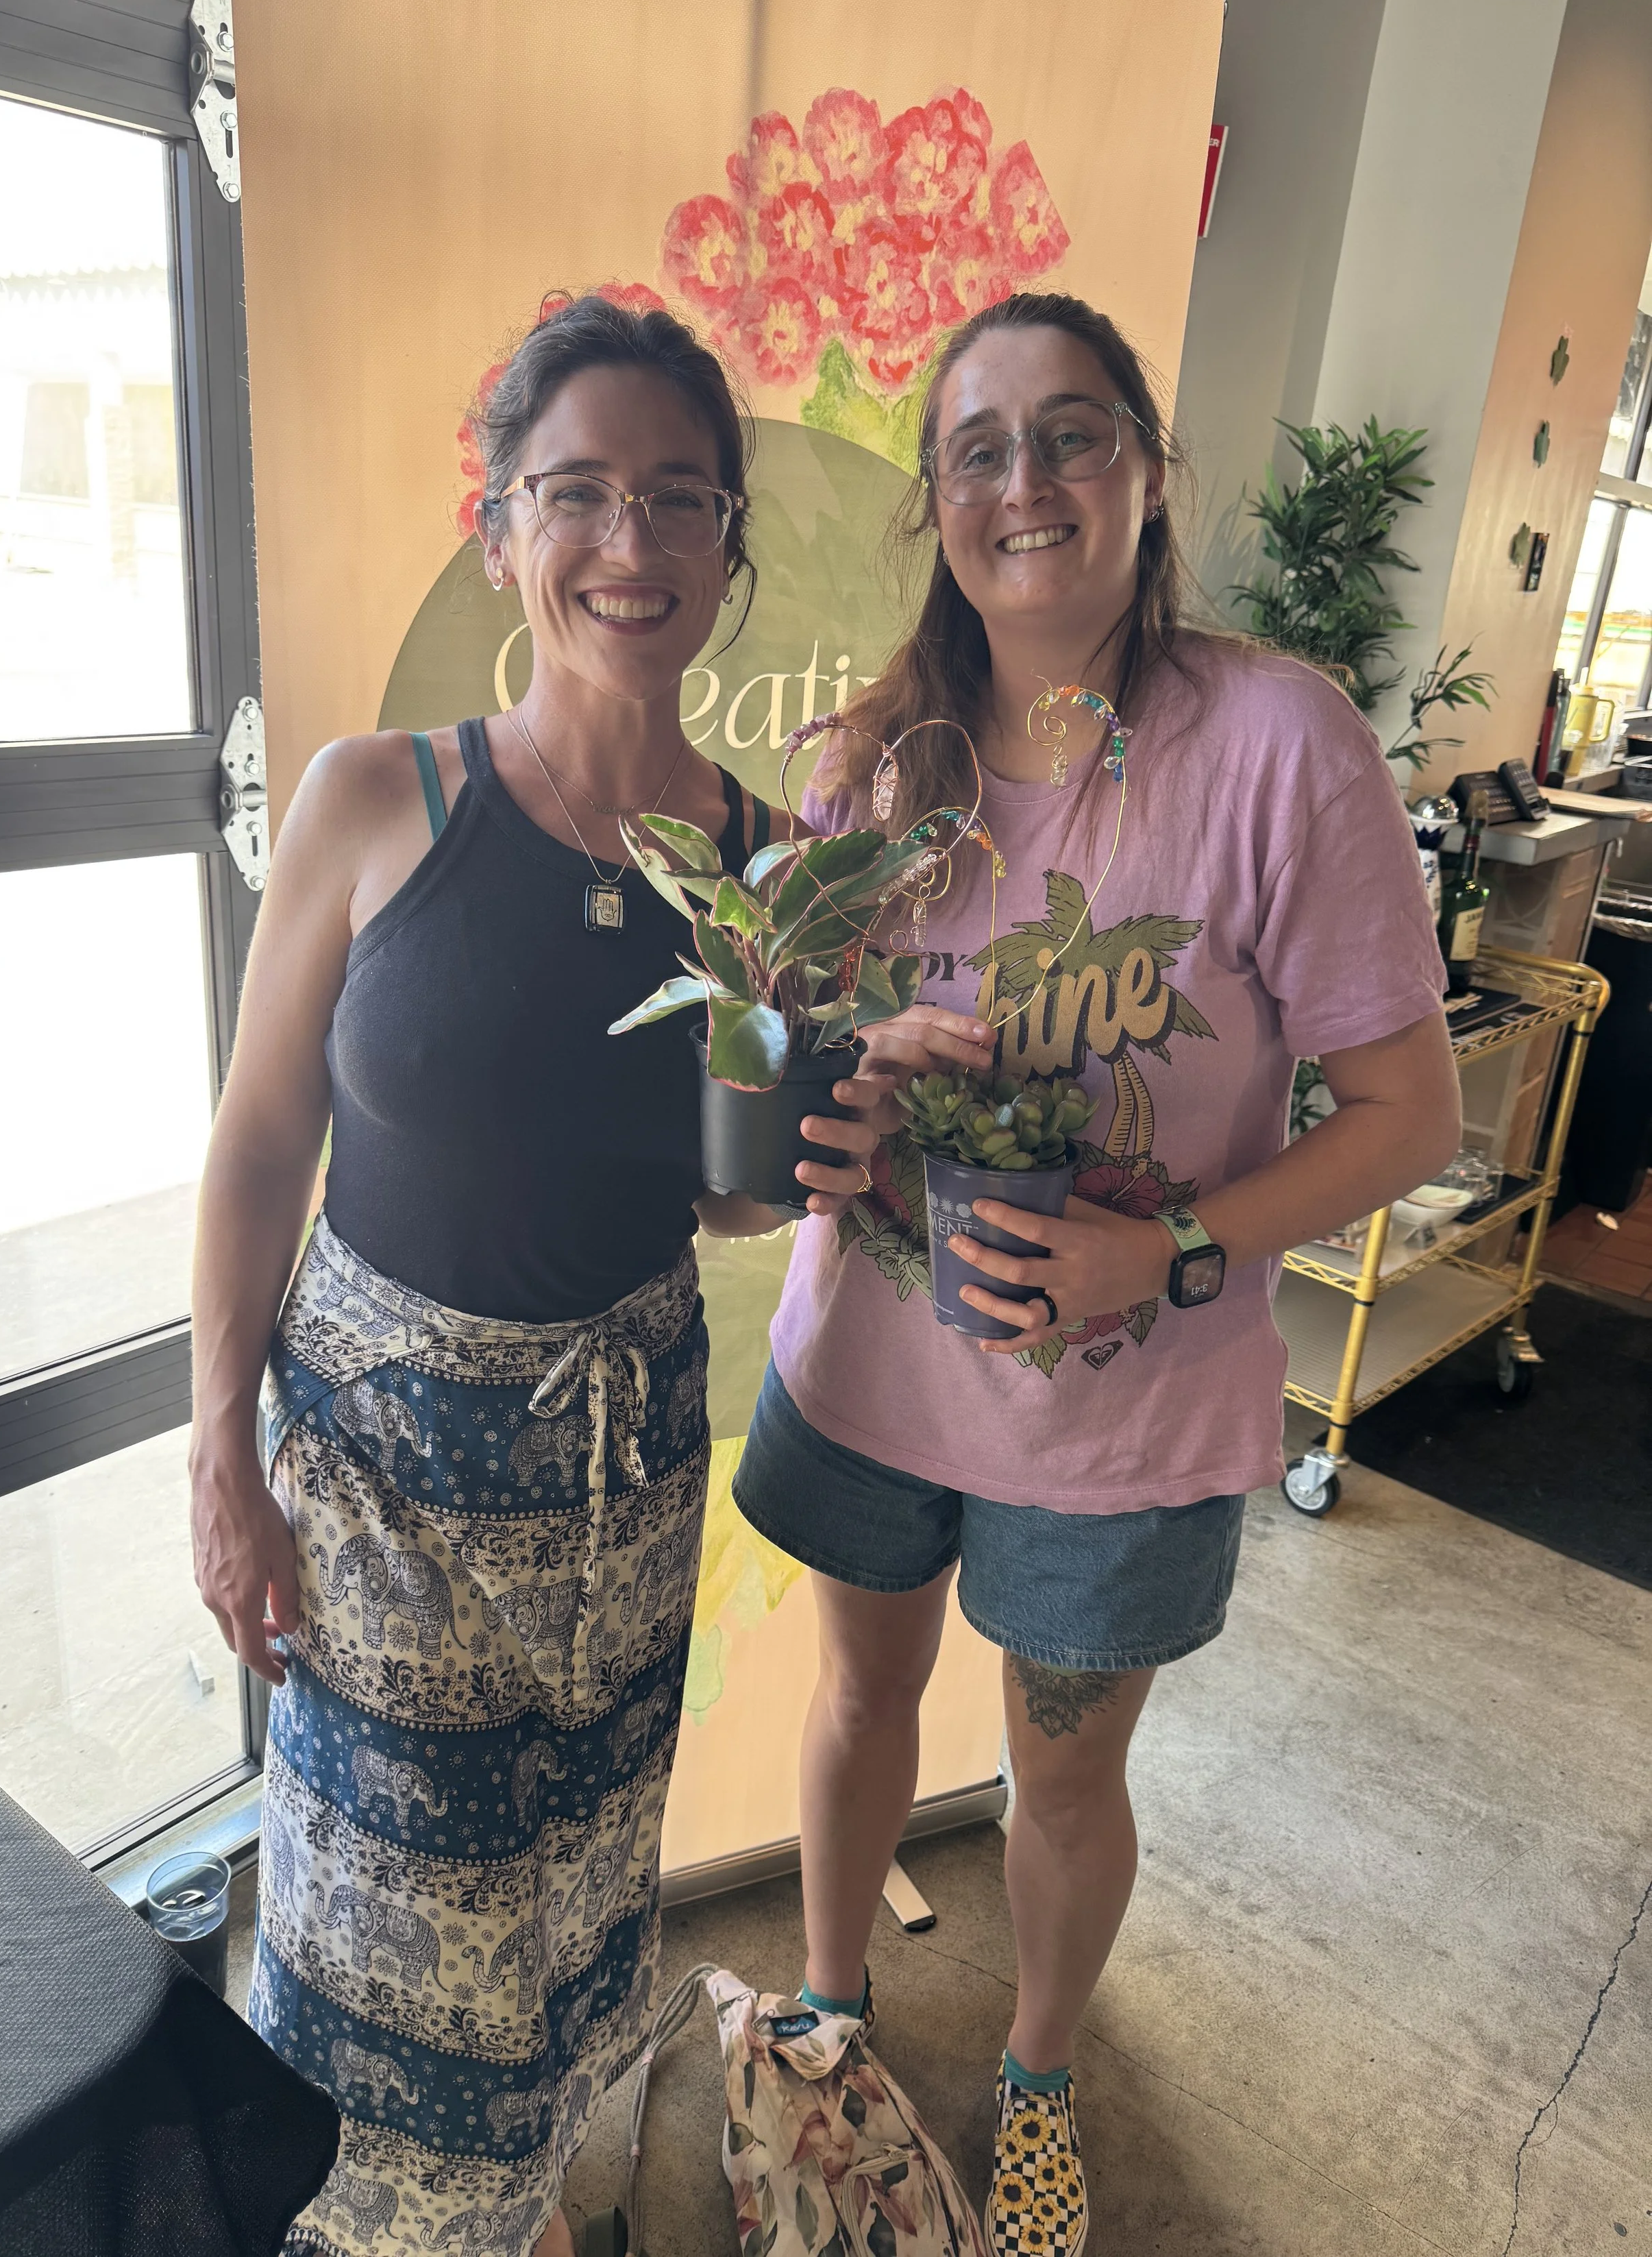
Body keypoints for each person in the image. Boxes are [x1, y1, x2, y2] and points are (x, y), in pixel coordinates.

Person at [732, 291, 1462, 2254]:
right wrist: (853, 1085)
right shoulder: (874, 760)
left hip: (1126, 1410)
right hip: (873, 1364)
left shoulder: (1275, 741)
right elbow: (792, 1065)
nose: (1025, 483)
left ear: (1147, 470)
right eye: (978, 446)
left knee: (1058, 1779)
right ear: (937, 503)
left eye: (1071, 436)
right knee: (857, 1697)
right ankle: (830, 2015)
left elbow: (1410, 1108)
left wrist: (1175, 1237)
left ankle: (1039, 2073)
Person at [186, 294, 887, 2257]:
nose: (631, 545)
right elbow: (255, 1150)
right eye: (577, 492)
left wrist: (818, 1171)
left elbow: (714, 1198)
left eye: (679, 499)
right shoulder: (371, 800)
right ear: (496, 523)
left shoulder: (759, 867)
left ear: (730, 548)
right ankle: (376, 2220)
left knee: (574, 1876)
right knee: (371, 1902)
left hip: (613, 1474)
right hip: (375, 1476)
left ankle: (517, 2203)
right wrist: (217, 1457)